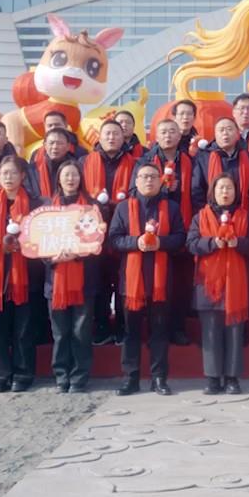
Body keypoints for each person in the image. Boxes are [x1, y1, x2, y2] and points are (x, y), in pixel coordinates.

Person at [108, 161, 185, 396]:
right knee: (130, 332)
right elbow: (113, 239)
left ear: (161, 181)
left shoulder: (171, 208)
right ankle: (130, 378)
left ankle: (159, 378)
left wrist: (161, 242)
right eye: (144, 177)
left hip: (160, 280)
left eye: (153, 176)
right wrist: (136, 242)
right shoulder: (123, 208)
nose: (149, 180)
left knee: (159, 331)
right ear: (136, 181)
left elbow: (180, 238)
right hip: (131, 282)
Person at [188, 174, 249, 395]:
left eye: (229, 188)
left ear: (236, 192)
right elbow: (191, 244)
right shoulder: (200, 217)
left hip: (236, 284)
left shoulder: (246, 218)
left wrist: (239, 243)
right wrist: (212, 243)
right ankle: (212, 378)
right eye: (221, 188)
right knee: (210, 332)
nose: (225, 192)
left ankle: (232, 378)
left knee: (235, 333)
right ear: (213, 192)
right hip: (208, 283)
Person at [0, 155, 39, 392]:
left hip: (26, 272)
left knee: (23, 328)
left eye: (13, 173)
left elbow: (39, 237)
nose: (9, 177)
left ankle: (23, 373)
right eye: (4, 173)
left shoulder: (34, 203)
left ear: (22, 176)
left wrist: (22, 244)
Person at [40, 159, 97, 393]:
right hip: (55, 281)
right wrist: (52, 257)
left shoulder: (91, 207)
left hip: (84, 279)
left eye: (74, 175)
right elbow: (38, 243)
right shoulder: (46, 208)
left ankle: (80, 376)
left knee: (81, 331)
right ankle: (61, 375)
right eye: (66, 175)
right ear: (59, 179)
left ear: (81, 178)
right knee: (60, 333)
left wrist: (79, 253)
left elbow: (98, 243)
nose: (70, 179)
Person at [144, 118, 199, 346]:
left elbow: (198, 192)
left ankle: (178, 328)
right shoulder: (145, 161)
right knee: (154, 284)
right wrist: (162, 190)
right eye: (163, 132)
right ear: (156, 136)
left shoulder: (191, 161)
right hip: (155, 230)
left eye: (172, 132)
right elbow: (135, 192)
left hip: (183, 228)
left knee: (181, 285)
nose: (168, 136)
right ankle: (155, 331)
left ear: (179, 136)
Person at [85, 120, 139, 346]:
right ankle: (101, 326)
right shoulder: (85, 162)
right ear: (100, 136)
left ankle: (122, 328)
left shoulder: (135, 163)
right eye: (107, 133)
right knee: (98, 282)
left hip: (123, 228)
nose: (111, 138)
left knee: (122, 282)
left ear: (123, 136)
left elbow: (137, 192)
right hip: (92, 230)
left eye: (116, 133)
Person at [27, 127, 76, 201]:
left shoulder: (76, 169)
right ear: (45, 146)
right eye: (51, 143)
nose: (55, 147)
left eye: (60, 143)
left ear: (68, 146)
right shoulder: (31, 170)